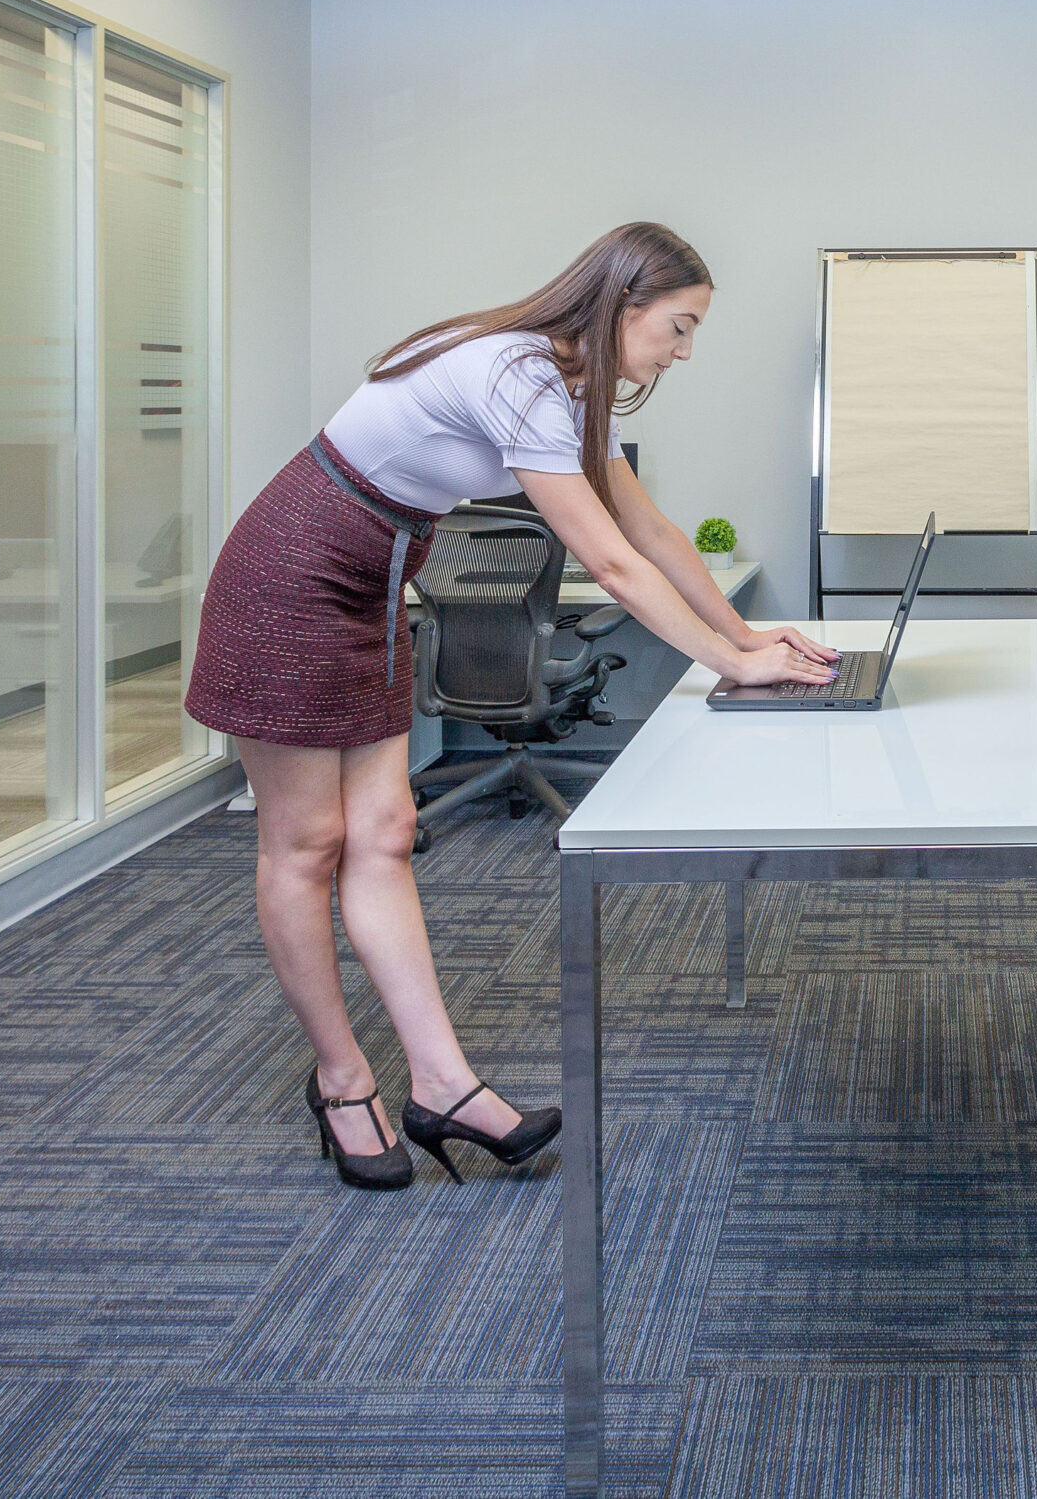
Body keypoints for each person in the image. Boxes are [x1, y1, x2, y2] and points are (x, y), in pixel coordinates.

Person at [184, 222, 838, 1189]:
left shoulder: (574, 396)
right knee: (305, 843)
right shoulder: (516, 374)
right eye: (680, 327)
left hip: (372, 574)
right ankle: (341, 1080)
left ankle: (441, 1083)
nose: (685, 352)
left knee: (388, 828)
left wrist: (744, 639)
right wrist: (724, 662)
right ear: (624, 306)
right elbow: (609, 560)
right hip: (287, 573)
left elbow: (646, 525)